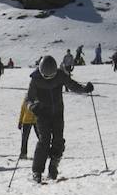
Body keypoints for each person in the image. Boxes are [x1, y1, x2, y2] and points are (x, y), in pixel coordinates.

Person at [24, 55, 93, 183]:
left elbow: (72, 85)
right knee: (44, 141)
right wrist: (32, 106)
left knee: (58, 141)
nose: (49, 79)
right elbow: (28, 98)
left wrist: (84, 89)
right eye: (46, 76)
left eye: (51, 76)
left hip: (57, 113)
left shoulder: (60, 75)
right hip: (42, 114)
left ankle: (53, 167)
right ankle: (37, 171)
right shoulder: (35, 79)